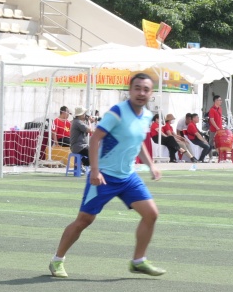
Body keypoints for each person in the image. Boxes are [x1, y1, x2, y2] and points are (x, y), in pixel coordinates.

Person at [48, 73, 165, 279]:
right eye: (137, 88)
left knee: (151, 214)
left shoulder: (147, 115)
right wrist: (95, 170)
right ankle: (57, 260)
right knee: (84, 220)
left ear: (151, 93)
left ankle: (138, 261)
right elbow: (95, 139)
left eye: (146, 89)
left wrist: (151, 166)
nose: (141, 93)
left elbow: (138, 143)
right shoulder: (117, 112)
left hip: (128, 177)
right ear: (130, 91)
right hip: (104, 176)